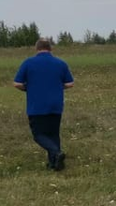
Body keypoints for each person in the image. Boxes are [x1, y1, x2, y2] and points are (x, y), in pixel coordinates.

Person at [13, 37, 74, 170]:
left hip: (37, 104)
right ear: (50, 48)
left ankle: (56, 153)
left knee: (39, 135)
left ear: (37, 48)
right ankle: (55, 164)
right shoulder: (60, 63)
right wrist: (57, 86)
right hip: (56, 104)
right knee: (53, 133)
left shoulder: (28, 63)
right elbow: (70, 83)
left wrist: (27, 88)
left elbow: (17, 83)